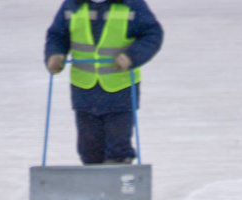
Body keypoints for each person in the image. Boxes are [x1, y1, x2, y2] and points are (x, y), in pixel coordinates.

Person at [44, 0, 163, 165]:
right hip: (84, 91)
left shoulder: (131, 4)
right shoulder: (72, 5)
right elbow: (57, 35)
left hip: (120, 90)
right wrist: (54, 54)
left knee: (118, 147)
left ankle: (119, 180)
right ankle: (94, 184)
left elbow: (152, 33)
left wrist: (132, 56)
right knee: (89, 148)